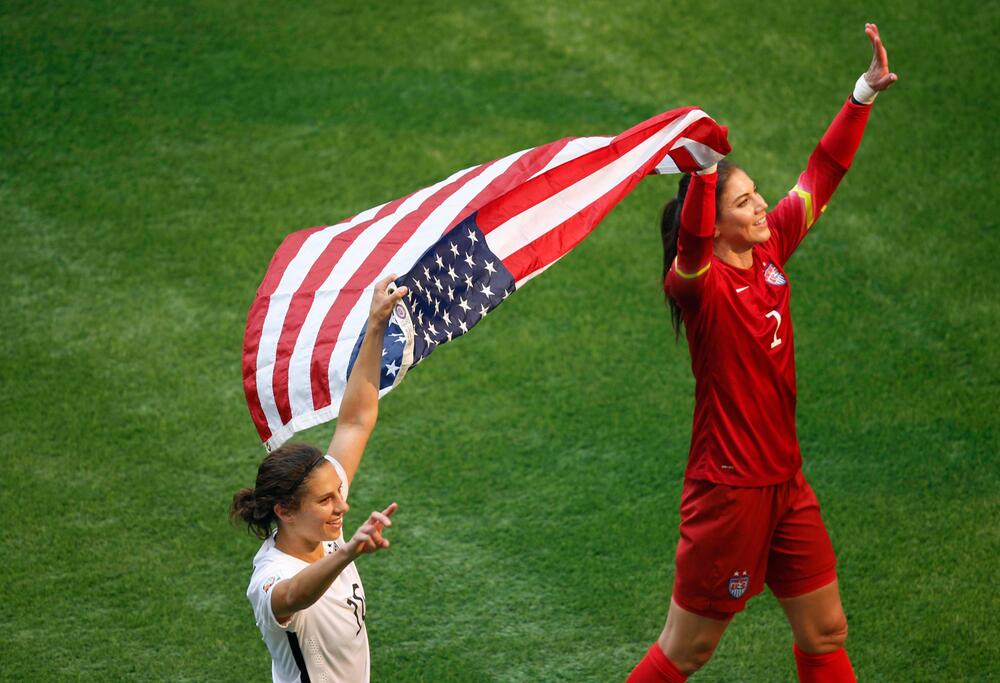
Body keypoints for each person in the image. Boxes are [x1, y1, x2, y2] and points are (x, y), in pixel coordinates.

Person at [626, 24, 897, 683]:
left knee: (825, 628)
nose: (762, 204)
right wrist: (702, 171)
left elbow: (822, 173)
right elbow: (689, 243)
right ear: (714, 221)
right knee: (687, 650)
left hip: (784, 481)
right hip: (729, 493)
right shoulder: (697, 286)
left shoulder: (770, 246)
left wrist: (860, 94)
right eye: (745, 201)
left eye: (755, 196)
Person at [231, 275, 408, 683]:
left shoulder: (319, 520)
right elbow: (295, 595)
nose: (342, 505)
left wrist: (376, 325)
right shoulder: (269, 579)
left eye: (337, 495)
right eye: (327, 500)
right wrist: (347, 553)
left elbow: (355, 421)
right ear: (285, 511)